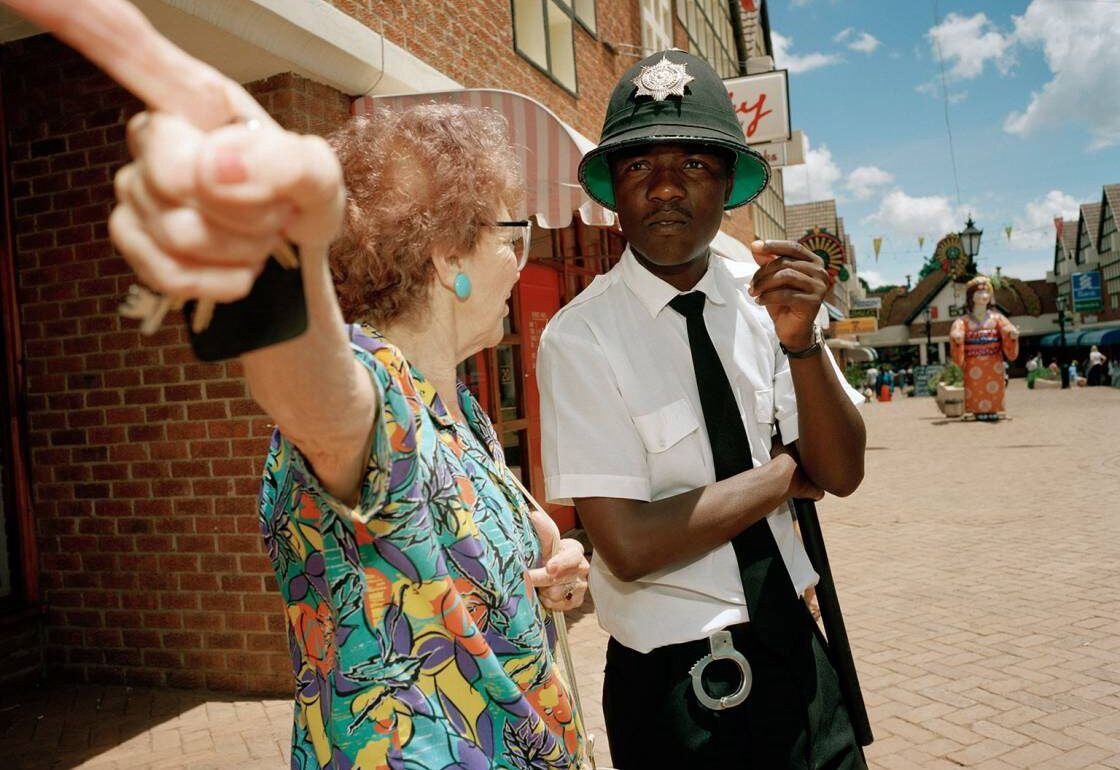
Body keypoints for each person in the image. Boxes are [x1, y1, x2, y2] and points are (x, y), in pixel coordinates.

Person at [11, 2, 591, 766]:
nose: (524, 263)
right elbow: (318, 399)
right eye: (514, 237)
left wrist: (547, 570)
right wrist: (273, 253)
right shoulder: (377, 396)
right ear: (449, 256)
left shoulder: (464, 412)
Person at [538, 49, 868, 769]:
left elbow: (840, 472)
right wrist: (786, 474)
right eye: (637, 168)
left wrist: (803, 344)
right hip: (679, 693)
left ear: (727, 184)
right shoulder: (579, 337)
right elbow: (629, 545)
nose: (664, 189)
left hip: (801, 659)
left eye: (691, 166)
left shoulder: (768, 295)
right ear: (613, 193)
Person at [949, 276, 1020, 420]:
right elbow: (958, 330)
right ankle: (975, 411)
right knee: (974, 386)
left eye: (987, 292)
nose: (984, 296)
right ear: (971, 296)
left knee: (995, 384)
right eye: (979, 293)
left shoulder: (997, 318)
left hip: (993, 360)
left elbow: (1006, 328)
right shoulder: (963, 321)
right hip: (973, 361)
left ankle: (995, 410)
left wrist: (1012, 333)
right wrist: (957, 336)